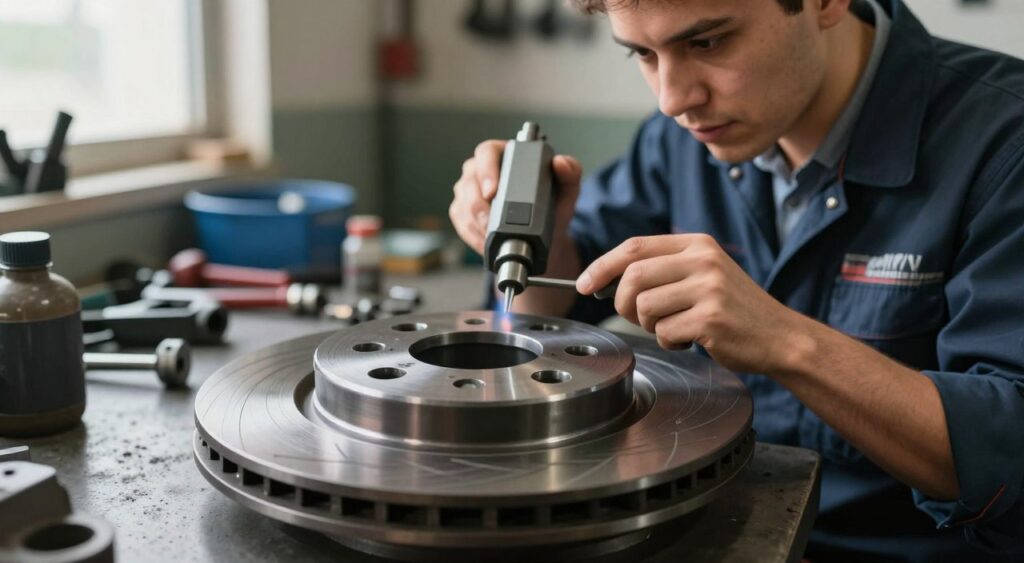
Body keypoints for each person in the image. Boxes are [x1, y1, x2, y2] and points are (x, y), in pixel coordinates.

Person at [448, 0, 1024, 560]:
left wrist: (785, 342)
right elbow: (551, 309)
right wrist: (527, 236)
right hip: (717, 523)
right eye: (643, 55)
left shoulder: (1004, 143)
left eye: (707, 41)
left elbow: (1005, 452)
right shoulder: (683, 138)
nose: (674, 98)